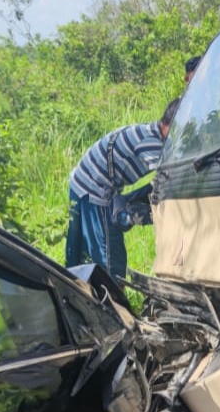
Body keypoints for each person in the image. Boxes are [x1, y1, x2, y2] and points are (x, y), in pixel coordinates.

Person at [65, 97, 179, 279]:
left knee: (79, 254)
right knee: (110, 257)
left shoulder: (150, 131)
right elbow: (171, 179)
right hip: (94, 189)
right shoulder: (151, 144)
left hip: (80, 181)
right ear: (172, 124)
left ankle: (76, 291)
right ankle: (110, 301)